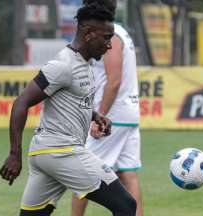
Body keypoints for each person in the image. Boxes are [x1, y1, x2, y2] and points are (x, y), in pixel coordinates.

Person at [0, 3, 137, 216]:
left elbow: (71, 100)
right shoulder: (63, 65)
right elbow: (21, 102)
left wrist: (95, 115)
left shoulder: (85, 64)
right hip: (61, 151)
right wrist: (14, 154)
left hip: (45, 154)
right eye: (106, 37)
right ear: (89, 34)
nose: (110, 45)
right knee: (126, 205)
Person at [71, 1, 143, 216]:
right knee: (128, 175)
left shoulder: (111, 35)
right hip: (128, 113)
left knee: (82, 174)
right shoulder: (122, 33)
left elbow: (114, 80)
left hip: (112, 115)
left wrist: (98, 117)